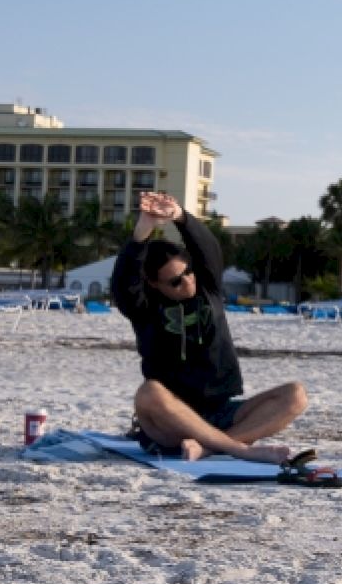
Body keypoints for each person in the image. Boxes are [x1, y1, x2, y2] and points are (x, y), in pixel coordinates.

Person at [111, 192, 309, 464]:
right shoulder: (144, 309)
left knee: (295, 395)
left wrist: (178, 215)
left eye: (188, 271)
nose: (188, 282)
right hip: (173, 420)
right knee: (149, 393)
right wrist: (143, 230)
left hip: (221, 412)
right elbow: (124, 283)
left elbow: (208, 249)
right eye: (176, 281)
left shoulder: (209, 290)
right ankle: (239, 448)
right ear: (154, 284)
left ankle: (210, 448)